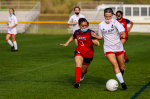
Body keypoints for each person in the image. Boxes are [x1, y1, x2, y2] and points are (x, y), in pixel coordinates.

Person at [92, 8, 127, 90]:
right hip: (108, 48)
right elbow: (100, 37)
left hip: (118, 47)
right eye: (106, 16)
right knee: (115, 64)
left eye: (109, 16)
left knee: (122, 67)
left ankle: (120, 76)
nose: (108, 18)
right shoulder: (101, 25)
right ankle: (123, 83)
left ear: (112, 15)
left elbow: (122, 31)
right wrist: (95, 36)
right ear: (104, 16)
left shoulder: (116, 22)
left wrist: (123, 35)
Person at [60, 18, 99, 88]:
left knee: (83, 70)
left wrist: (95, 42)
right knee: (78, 64)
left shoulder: (91, 32)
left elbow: (96, 42)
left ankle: (83, 73)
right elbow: (72, 37)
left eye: (86, 25)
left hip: (89, 53)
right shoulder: (77, 32)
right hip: (79, 51)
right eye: (82, 26)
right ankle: (77, 82)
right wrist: (67, 43)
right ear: (79, 25)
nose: (84, 27)